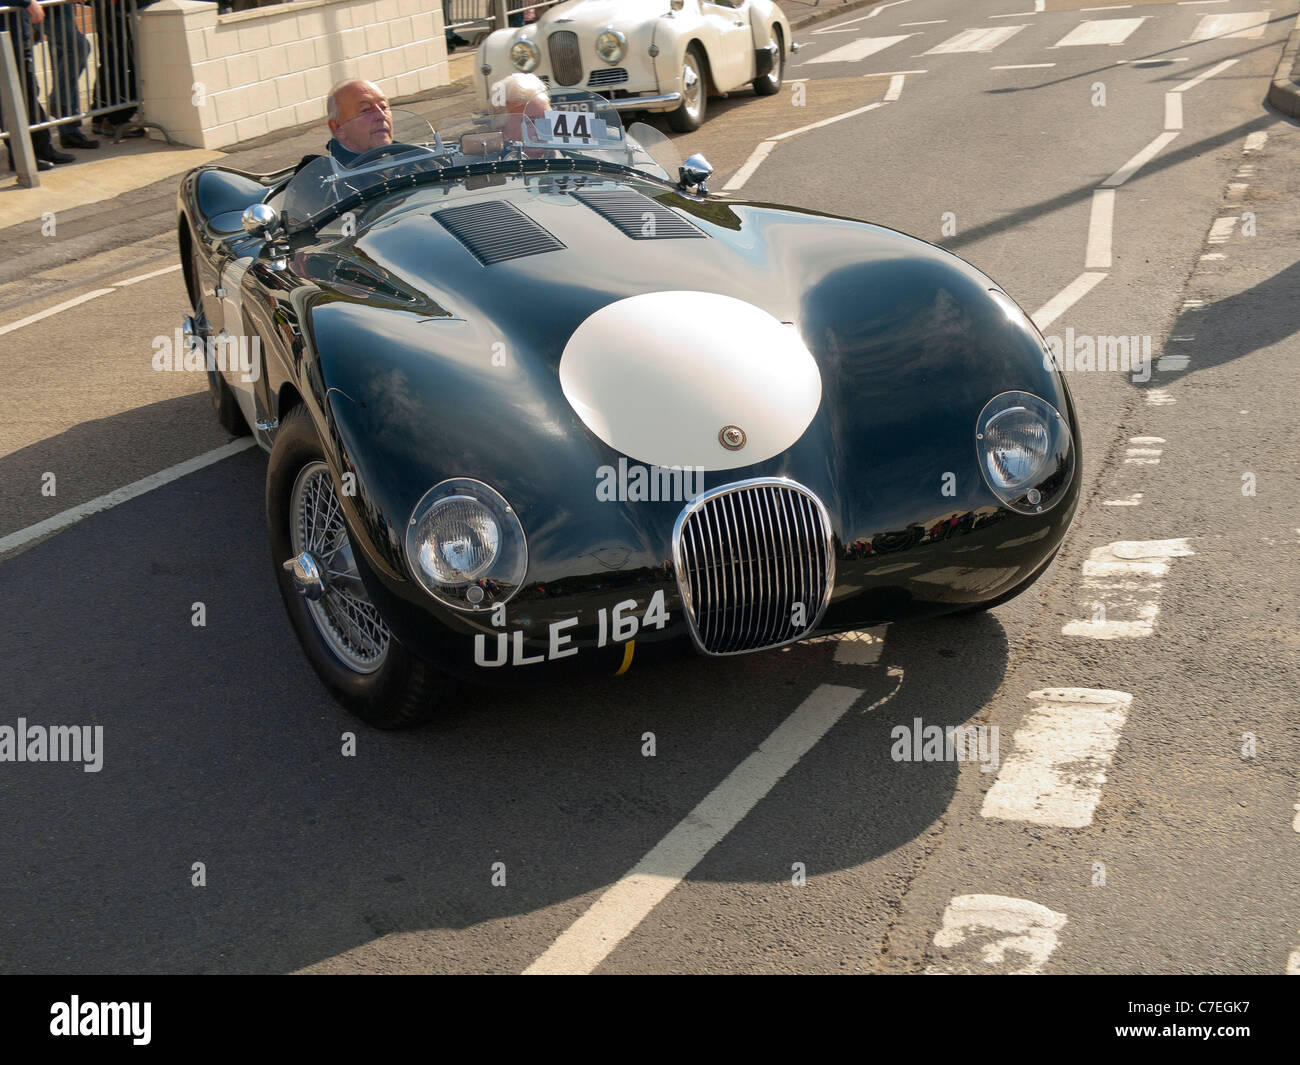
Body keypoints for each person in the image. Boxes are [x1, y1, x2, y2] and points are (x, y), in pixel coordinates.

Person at [1, 0, 76, 169]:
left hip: (16, 35)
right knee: (14, 100)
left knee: (27, 94)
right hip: (7, 38)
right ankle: (21, 157)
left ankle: (41, 148)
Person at [46, 0, 97, 149]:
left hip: (61, 7)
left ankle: (68, 131)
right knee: (78, 48)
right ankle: (57, 100)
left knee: (65, 64)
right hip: (43, 8)